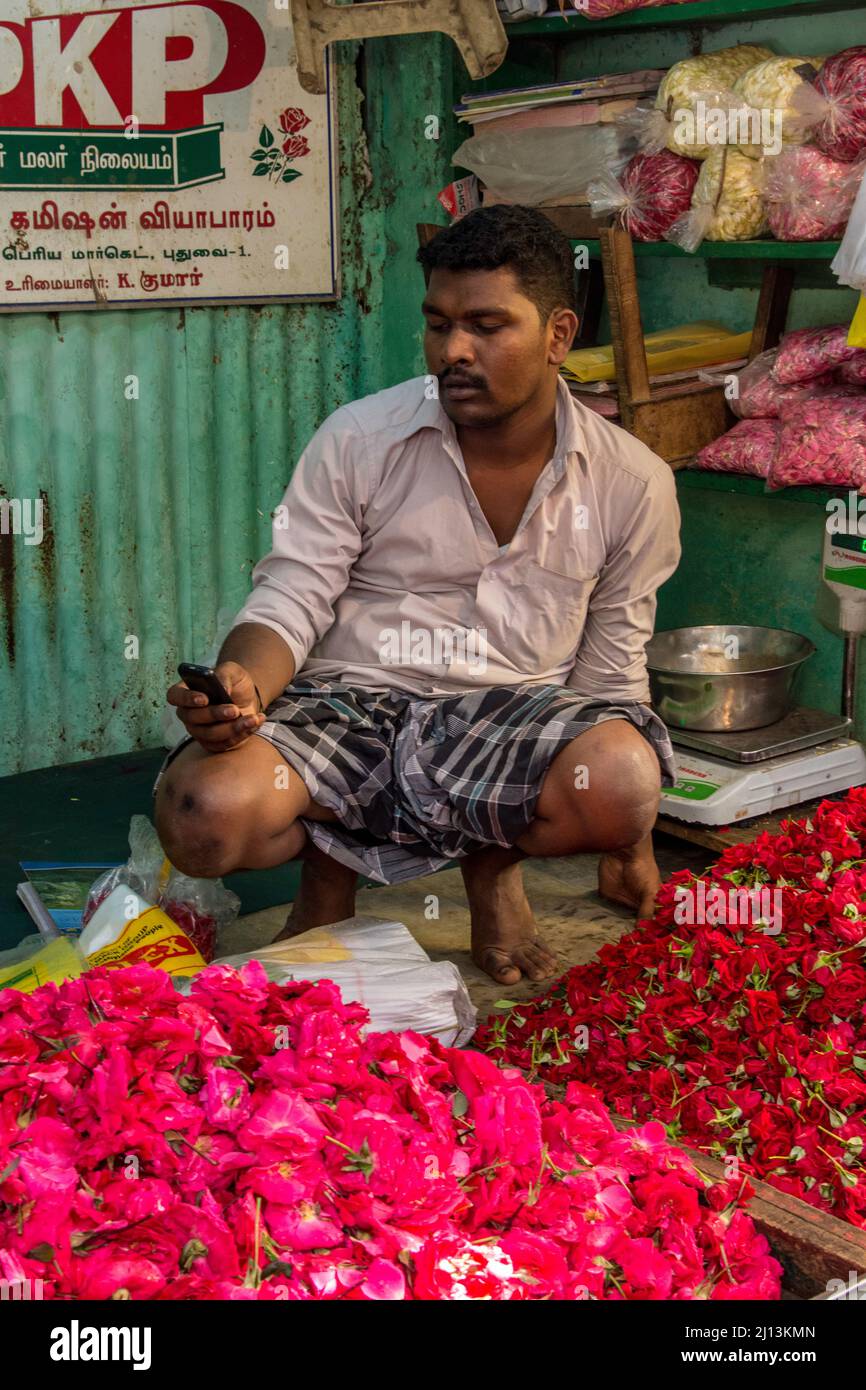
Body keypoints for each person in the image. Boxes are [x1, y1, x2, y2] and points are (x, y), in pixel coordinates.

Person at [154, 204, 681, 985]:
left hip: (507, 720)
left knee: (620, 782)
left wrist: (631, 844)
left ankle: (492, 874)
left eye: (487, 326)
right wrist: (242, 686)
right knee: (202, 812)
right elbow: (292, 592)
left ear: (559, 336)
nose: (453, 352)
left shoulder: (633, 482)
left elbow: (610, 675)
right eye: (438, 325)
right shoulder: (361, 438)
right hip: (350, 704)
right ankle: (329, 874)